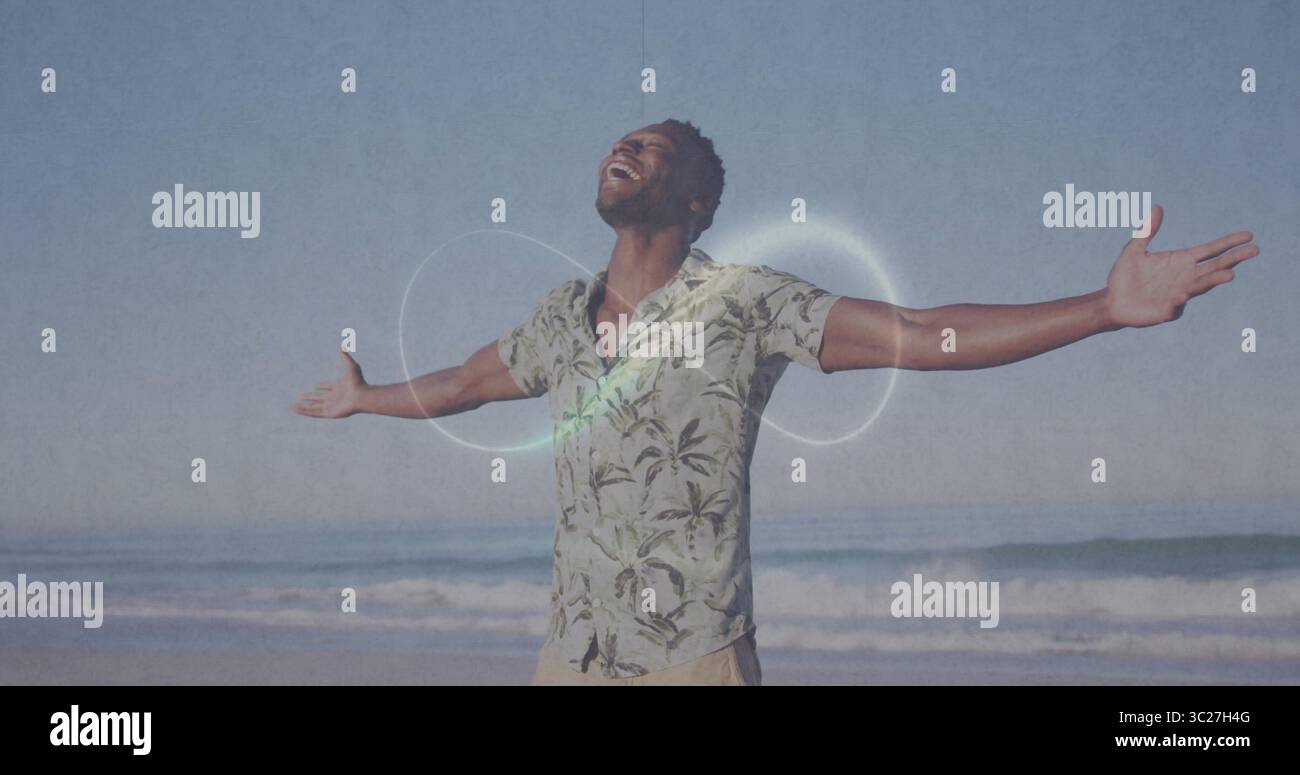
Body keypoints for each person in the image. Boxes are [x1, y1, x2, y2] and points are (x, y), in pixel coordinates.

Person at [292, 119, 1259, 685]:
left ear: (695, 203)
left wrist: (1100, 308)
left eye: (653, 148)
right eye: (623, 139)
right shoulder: (557, 317)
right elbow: (463, 384)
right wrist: (367, 397)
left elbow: (923, 335)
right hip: (569, 658)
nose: (625, 146)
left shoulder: (745, 304)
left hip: (694, 658)